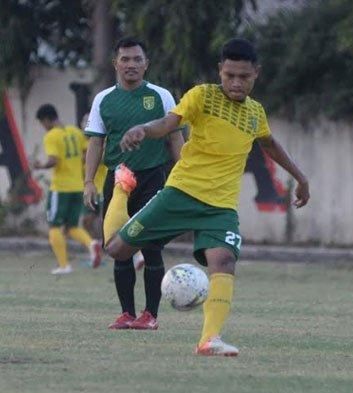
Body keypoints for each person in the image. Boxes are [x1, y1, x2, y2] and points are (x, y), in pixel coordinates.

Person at [103, 38, 309, 356]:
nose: (236, 82)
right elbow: (168, 124)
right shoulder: (202, 96)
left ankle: (209, 339)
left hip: (220, 207)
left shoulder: (256, 113)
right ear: (220, 71)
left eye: (244, 76)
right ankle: (122, 190)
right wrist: (144, 128)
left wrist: (300, 177)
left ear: (257, 73)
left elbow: (268, 144)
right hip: (180, 193)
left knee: (224, 261)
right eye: (229, 75)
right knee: (117, 249)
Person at [83, 37, 184, 330]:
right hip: (116, 183)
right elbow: (96, 142)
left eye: (136, 59)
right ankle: (126, 313)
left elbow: (176, 138)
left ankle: (150, 316)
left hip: (153, 179)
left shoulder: (162, 96)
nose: (131, 65)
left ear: (146, 64)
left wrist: (184, 178)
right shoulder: (103, 99)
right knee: (117, 248)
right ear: (116, 63)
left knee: (152, 248)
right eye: (125, 59)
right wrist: (89, 181)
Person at [33, 104, 101, 275]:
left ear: (47, 119)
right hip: (77, 186)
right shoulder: (75, 131)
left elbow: (53, 160)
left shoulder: (52, 135)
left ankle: (64, 265)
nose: (43, 126)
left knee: (54, 226)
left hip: (60, 188)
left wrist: (40, 165)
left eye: (42, 123)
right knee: (71, 226)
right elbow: (88, 152)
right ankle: (92, 244)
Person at [80, 113, 145, 270]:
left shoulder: (102, 141)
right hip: (92, 187)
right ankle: (98, 250)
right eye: (84, 121)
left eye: (87, 121)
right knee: (88, 221)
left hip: (103, 187)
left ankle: (137, 254)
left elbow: (104, 157)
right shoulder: (85, 141)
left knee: (109, 224)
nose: (85, 124)